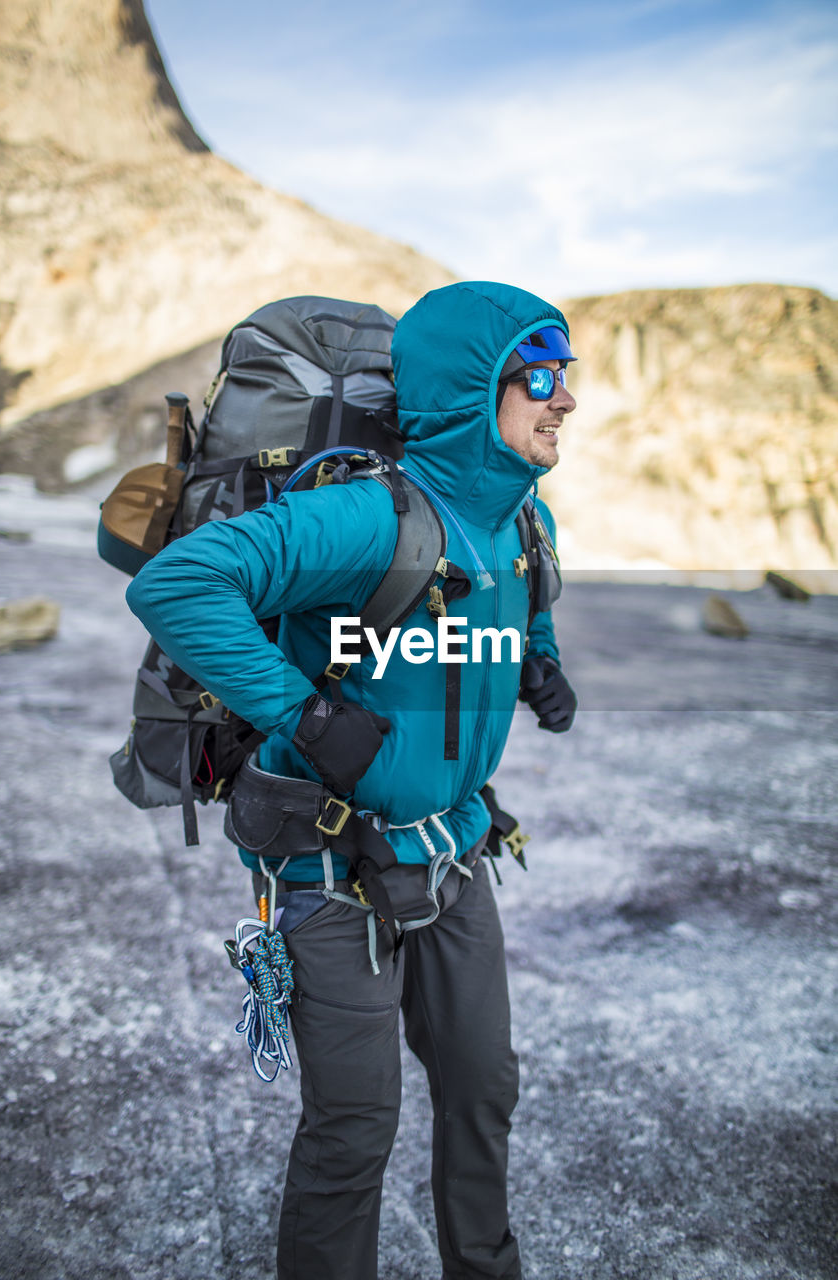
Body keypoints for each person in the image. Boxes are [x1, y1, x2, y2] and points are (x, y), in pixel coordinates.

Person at [126, 280, 578, 1280]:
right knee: (353, 1127)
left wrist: (537, 660)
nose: (565, 397)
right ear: (470, 393)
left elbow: (521, 593)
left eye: (567, 374)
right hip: (330, 871)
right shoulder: (368, 518)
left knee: (481, 1085)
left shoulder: (520, 518)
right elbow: (177, 584)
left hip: (455, 850)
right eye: (538, 375)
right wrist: (306, 714)